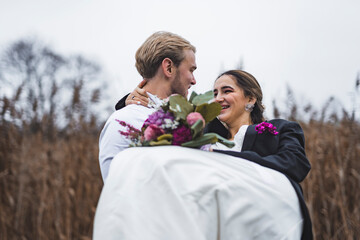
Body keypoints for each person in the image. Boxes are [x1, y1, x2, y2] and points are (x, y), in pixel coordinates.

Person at [114, 70, 313, 239]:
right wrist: (130, 103)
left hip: (268, 224)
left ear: (250, 98)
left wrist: (225, 160)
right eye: (215, 92)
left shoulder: (282, 129)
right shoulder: (205, 134)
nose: (218, 98)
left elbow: (296, 163)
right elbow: (167, 126)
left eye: (227, 91)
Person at [98, 31, 197, 182]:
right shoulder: (123, 121)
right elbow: (116, 186)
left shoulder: (189, 119)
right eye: (191, 70)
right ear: (169, 67)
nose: (194, 80)